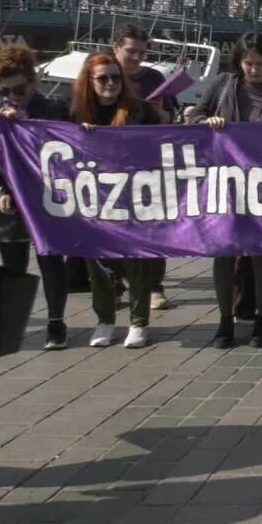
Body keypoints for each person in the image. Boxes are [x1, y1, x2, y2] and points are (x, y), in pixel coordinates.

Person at [189, 32, 262, 348]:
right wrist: (209, 122)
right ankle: (225, 320)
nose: (254, 69)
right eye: (249, 63)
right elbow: (194, 116)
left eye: (260, 63)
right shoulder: (222, 84)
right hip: (224, 177)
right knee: (224, 252)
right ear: (239, 62)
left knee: (261, 252)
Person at [0, 46, 73, 350]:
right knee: (14, 268)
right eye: (5, 90)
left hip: (45, 199)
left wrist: (25, 123)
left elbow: (66, 146)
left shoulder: (53, 107)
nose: (13, 95)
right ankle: (12, 325)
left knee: (51, 262)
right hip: (9, 201)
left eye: (19, 89)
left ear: (33, 82)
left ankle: (56, 323)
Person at [71, 53, 165, 348]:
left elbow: (163, 140)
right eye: (102, 78)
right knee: (97, 261)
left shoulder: (139, 110)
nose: (110, 83)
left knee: (136, 260)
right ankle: (105, 320)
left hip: (133, 195)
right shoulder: (74, 112)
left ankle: (138, 323)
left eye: (115, 77)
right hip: (92, 198)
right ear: (89, 81)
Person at [113, 24, 175, 311]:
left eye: (141, 52)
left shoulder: (154, 78)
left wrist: (162, 111)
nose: (137, 57)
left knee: (152, 227)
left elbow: (169, 120)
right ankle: (115, 282)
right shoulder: (104, 74)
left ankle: (154, 286)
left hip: (149, 165)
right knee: (112, 226)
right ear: (116, 48)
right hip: (110, 165)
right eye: (130, 51)